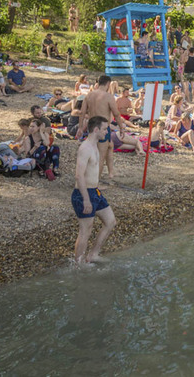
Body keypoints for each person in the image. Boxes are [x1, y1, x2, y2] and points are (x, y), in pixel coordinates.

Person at [72, 116, 117, 264]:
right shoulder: (85, 149)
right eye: (105, 129)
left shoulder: (95, 146)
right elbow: (79, 176)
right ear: (96, 129)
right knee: (86, 230)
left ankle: (93, 255)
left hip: (95, 192)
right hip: (83, 194)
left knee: (110, 221)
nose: (107, 132)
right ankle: (78, 264)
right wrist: (86, 199)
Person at [77, 75, 128, 182]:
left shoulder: (89, 95)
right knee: (99, 157)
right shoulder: (108, 96)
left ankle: (111, 173)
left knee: (110, 146)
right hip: (102, 127)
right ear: (108, 84)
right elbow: (116, 114)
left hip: (92, 126)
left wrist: (80, 127)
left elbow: (82, 112)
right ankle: (95, 183)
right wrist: (122, 128)